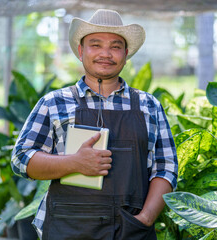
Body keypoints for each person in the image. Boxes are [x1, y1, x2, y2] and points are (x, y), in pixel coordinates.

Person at [11, 9, 178, 240]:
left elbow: (166, 167)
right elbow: (21, 159)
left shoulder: (149, 106)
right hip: (67, 228)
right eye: (96, 45)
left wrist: (146, 219)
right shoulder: (54, 103)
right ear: (81, 51)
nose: (106, 54)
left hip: (131, 230)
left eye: (115, 46)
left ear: (126, 53)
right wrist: (74, 163)